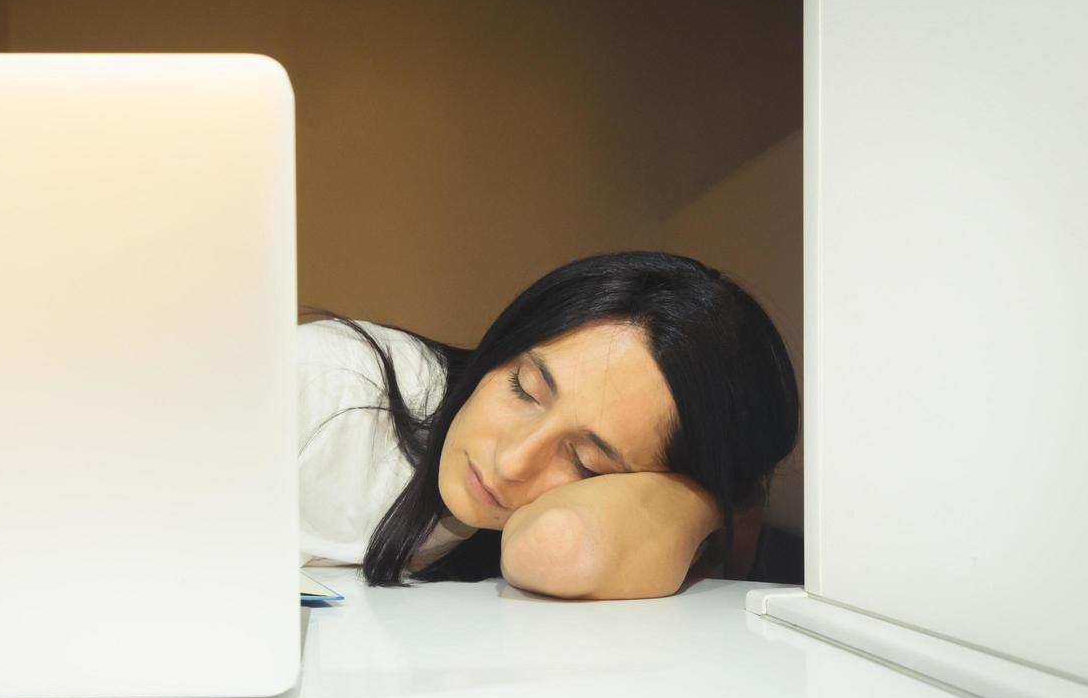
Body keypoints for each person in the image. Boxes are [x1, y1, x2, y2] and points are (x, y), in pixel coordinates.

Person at [297, 250, 799, 598]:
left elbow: (558, 546)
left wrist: (714, 500)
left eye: (585, 463)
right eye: (524, 389)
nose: (512, 461)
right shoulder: (331, 383)